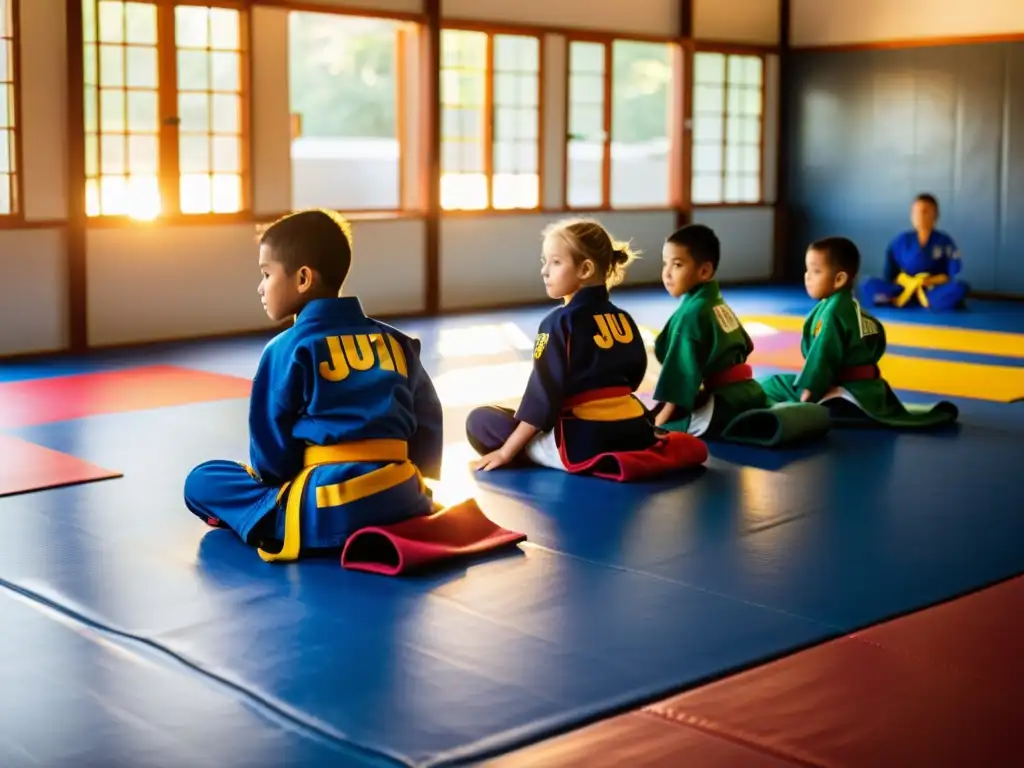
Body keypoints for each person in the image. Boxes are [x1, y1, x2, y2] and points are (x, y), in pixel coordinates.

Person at [183, 209, 446, 563]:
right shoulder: (396, 341)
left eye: (266, 274)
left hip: (325, 509)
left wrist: (275, 479)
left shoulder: (286, 348)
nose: (260, 286)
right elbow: (428, 421)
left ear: (303, 278)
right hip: (405, 497)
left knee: (202, 480)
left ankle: (258, 521)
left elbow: (272, 460)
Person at [465, 217, 708, 481]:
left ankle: (538, 453)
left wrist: (505, 453)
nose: (545, 271)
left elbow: (542, 399)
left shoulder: (557, 322)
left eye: (555, 262)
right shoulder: (623, 317)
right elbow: (635, 378)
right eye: (544, 262)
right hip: (635, 431)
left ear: (585, 269)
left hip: (585, 442)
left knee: (481, 421)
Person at [760, 236, 957, 428]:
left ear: (839, 279)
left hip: (846, 392)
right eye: (807, 270)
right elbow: (877, 341)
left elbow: (823, 356)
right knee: (777, 382)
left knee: (768, 385)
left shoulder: (833, 312)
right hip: (872, 390)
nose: (807, 276)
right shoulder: (852, 307)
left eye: (816, 271)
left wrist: (809, 393)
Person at [649, 224, 769, 437]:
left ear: (704, 271)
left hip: (720, 406)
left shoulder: (691, 314)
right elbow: (746, 344)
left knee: (650, 431)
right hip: (749, 393)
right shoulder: (717, 303)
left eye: (677, 265)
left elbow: (680, 378)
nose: (666, 273)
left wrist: (660, 420)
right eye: (665, 263)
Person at [860, 193, 969, 311]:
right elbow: (890, 274)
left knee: (960, 287)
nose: (919, 216)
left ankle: (926, 301)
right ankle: (901, 299)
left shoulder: (946, 241)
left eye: (925, 211)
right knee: (867, 284)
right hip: (904, 289)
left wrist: (929, 281)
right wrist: (906, 282)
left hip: (932, 290)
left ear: (935, 215)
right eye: (915, 212)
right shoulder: (901, 240)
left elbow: (952, 274)